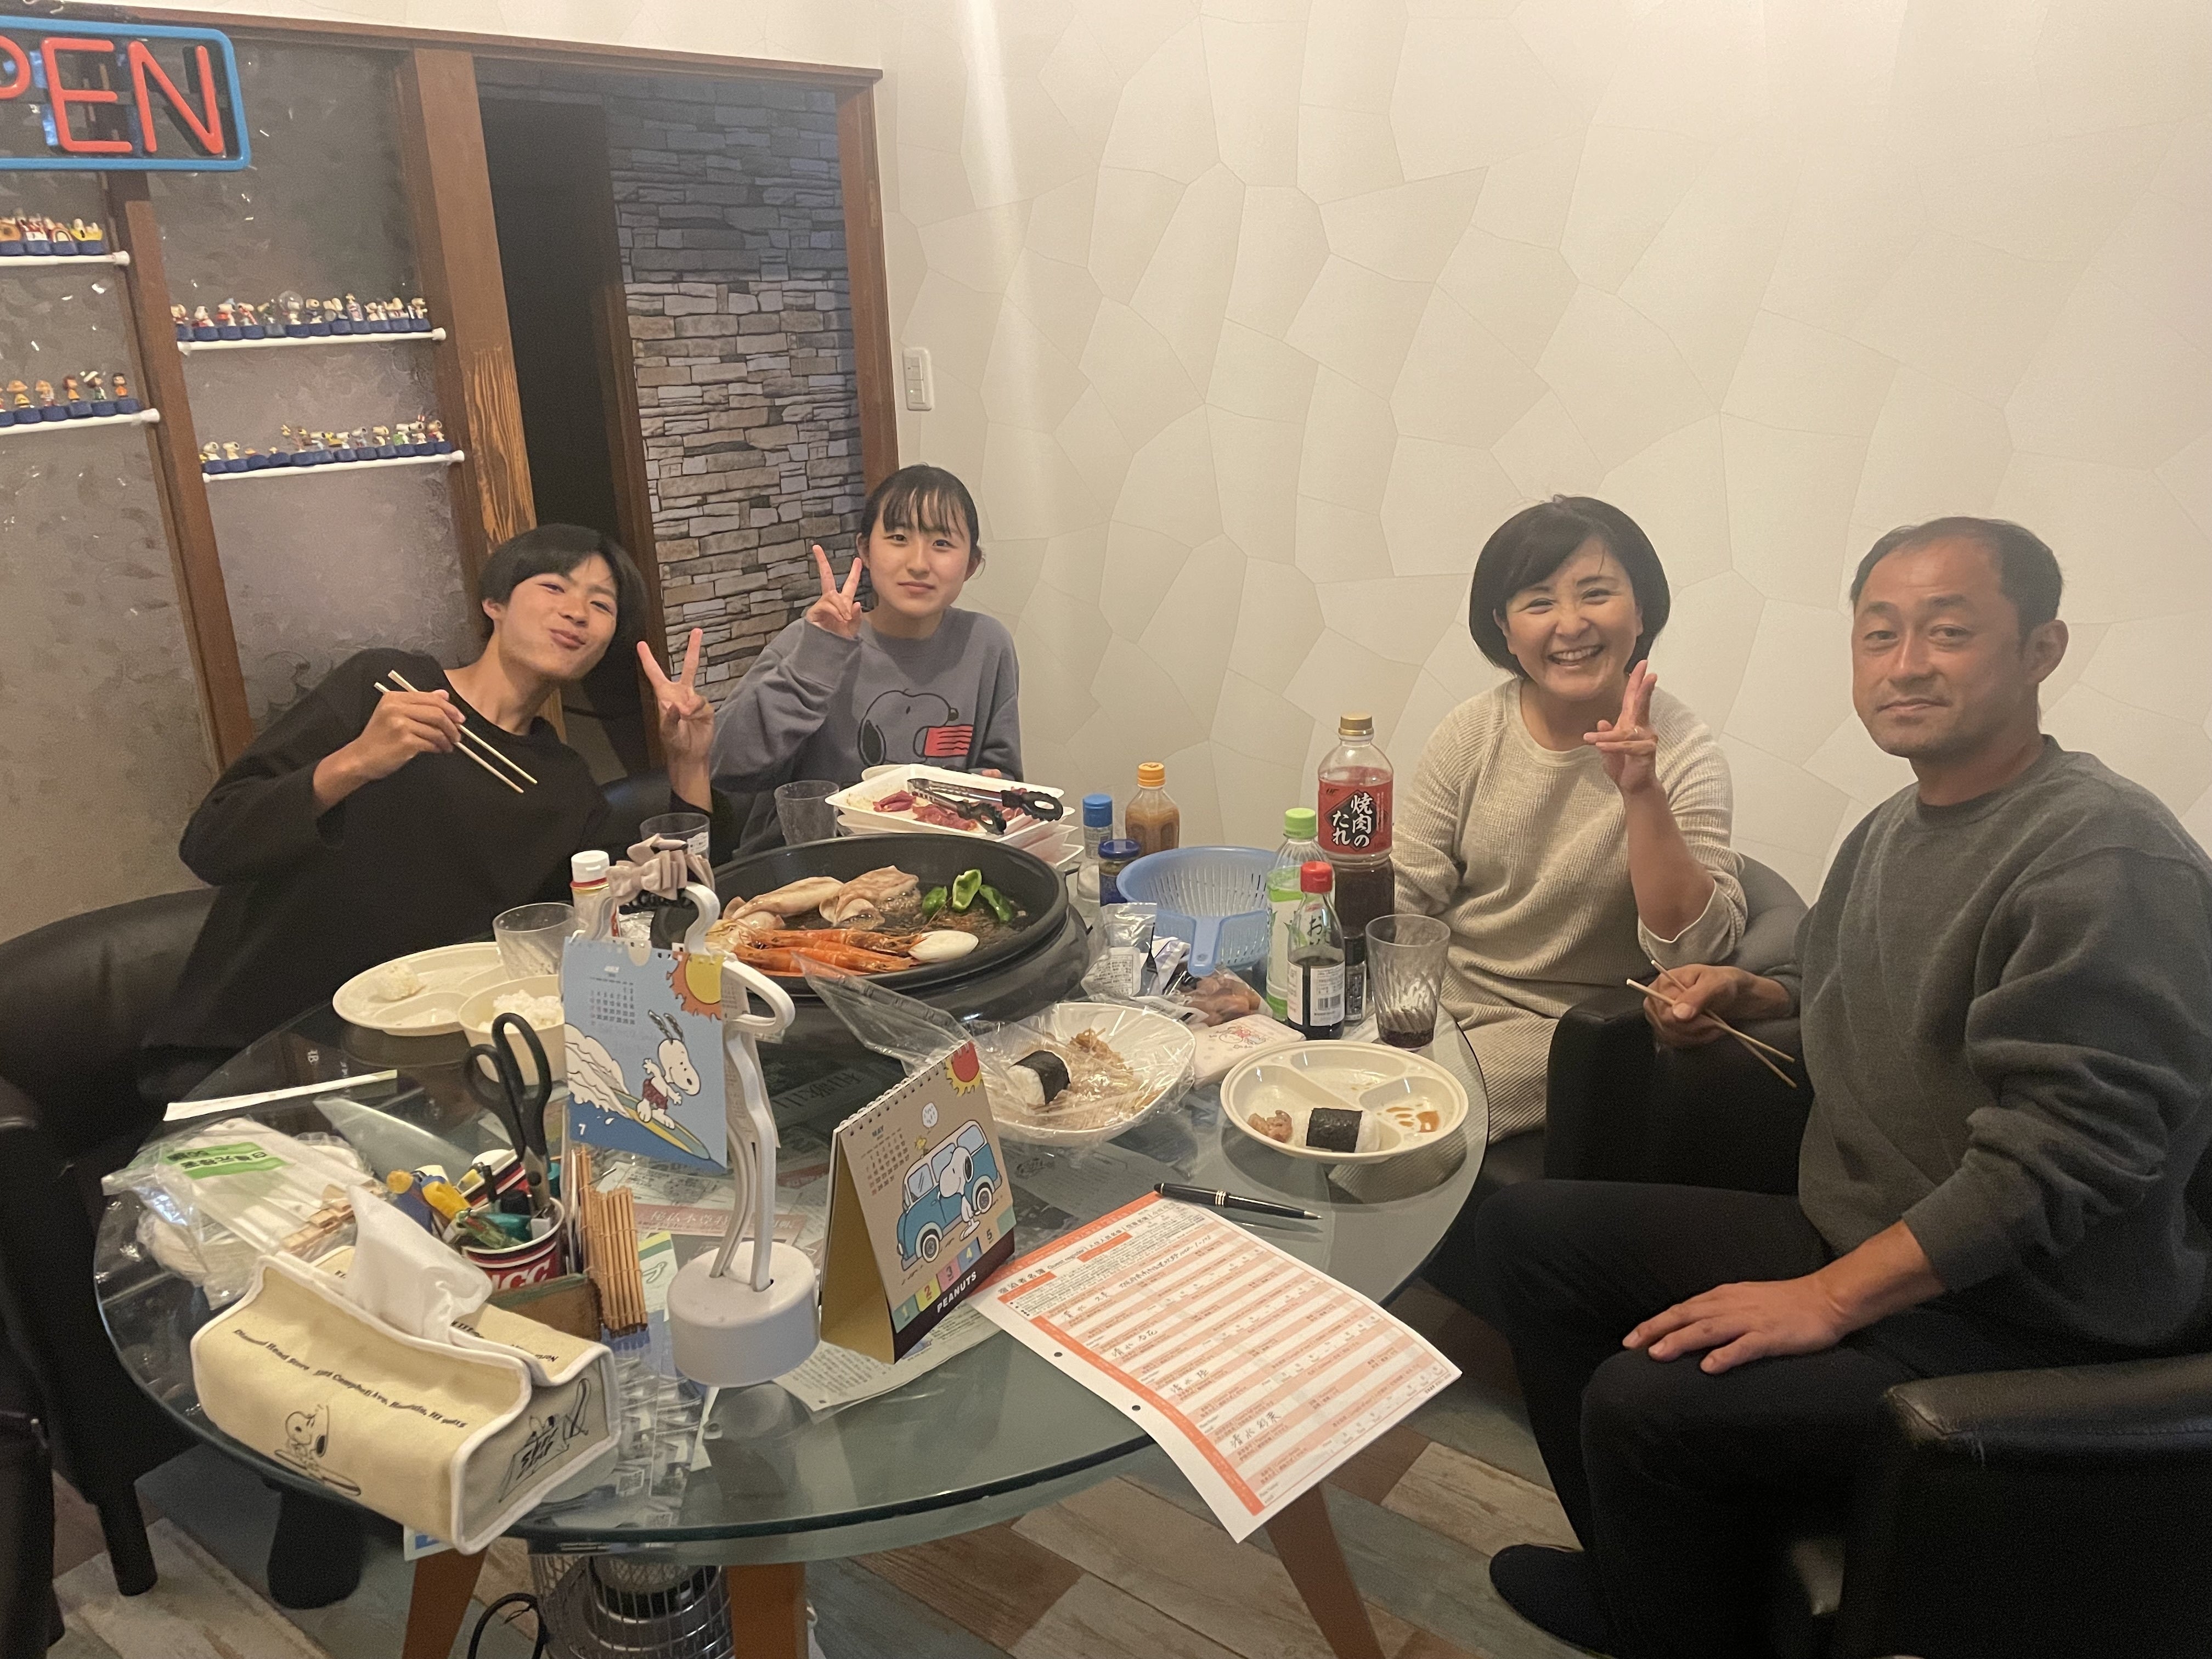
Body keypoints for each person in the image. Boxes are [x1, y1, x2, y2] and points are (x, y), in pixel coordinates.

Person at [1472, 517, 2212, 1659]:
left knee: (1643, 1399)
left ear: (2041, 649)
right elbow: (1844, 986)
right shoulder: (1889, 831)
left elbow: (2071, 1155)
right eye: (1879, 634)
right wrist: (1752, 992)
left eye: (1948, 632)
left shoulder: (2104, 856)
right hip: (1871, 1231)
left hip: (2023, 1318)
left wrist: (1826, 1298)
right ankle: (1643, 1595)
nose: (1905, 663)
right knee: (1529, 1233)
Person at [140, 524, 720, 1105]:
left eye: (602, 605)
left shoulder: (562, 786)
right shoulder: (387, 689)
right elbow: (211, 843)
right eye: (554, 587)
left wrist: (689, 763)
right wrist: (357, 760)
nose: (577, 612)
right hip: (251, 1057)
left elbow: (648, 925)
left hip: (418, 1076)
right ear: (494, 602)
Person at [1396, 496, 1743, 1140]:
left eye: (1596, 594)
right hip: (1436, 1002)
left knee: (1394, 1125)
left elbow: (1693, 949)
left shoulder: (1684, 752)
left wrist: (1642, 791)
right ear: (1505, 628)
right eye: (1539, 602)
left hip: (1561, 1031)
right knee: (1289, 1079)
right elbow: (1407, 890)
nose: (1571, 624)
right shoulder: (1471, 731)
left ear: (1641, 611)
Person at [709, 464, 1020, 822]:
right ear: (866, 551)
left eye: (942, 544)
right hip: (817, 851)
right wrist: (814, 663)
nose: (919, 563)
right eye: (899, 538)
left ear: (970, 565)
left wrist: (985, 787)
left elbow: (1004, 782)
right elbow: (724, 765)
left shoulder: (987, 645)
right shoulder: (811, 641)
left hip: (939, 849)